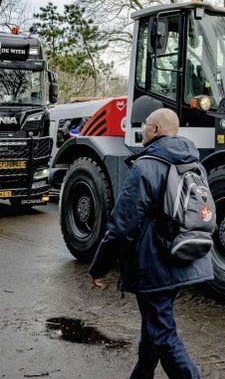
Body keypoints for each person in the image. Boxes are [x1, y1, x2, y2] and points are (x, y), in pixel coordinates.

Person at [88, 108, 213, 379]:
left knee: (163, 334)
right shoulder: (195, 163)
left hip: (155, 264)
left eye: (146, 125)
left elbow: (121, 225)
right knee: (154, 327)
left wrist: (99, 266)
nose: (143, 128)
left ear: (156, 130)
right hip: (183, 255)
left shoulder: (147, 165)